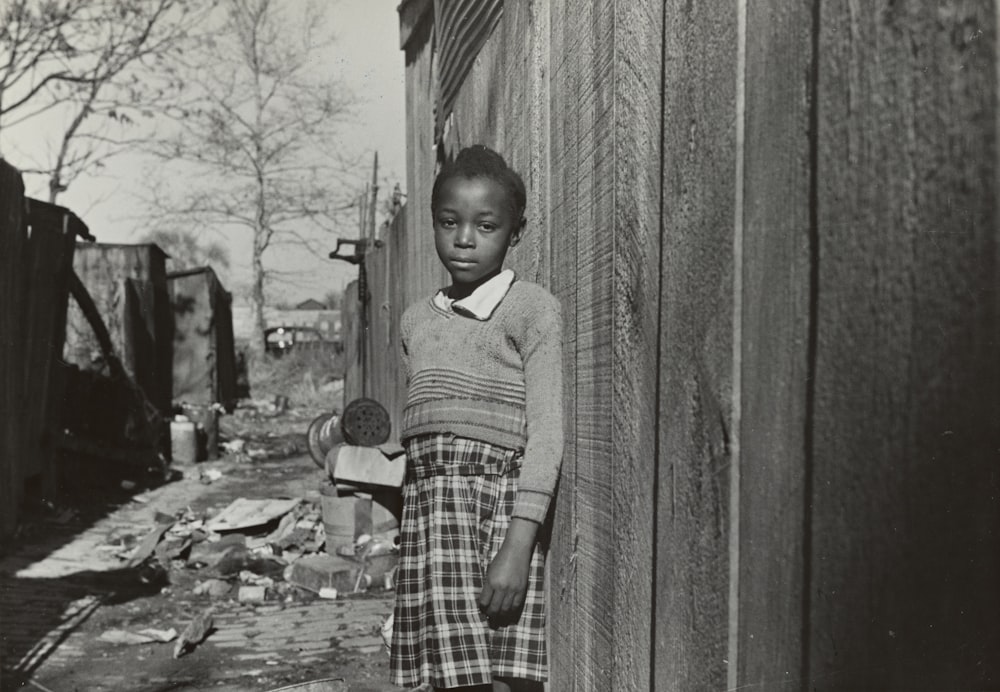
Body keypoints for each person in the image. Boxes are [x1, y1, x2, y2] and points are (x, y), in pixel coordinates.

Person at [391, 145, 564, 692]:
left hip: (495, 520)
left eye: (486, 225)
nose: (465, 238)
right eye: (450, 222)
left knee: (502, 677)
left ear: (516, 231)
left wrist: (517, 546)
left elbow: (547, 435)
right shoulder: (416, 320)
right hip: (429, 523)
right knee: (446, 680)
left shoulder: (530, 309)